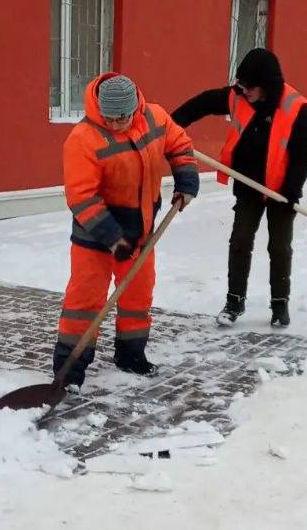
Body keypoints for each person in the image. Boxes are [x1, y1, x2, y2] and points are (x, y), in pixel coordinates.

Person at [54, 73, 199, 387]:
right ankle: (70, 370)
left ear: (136, 108)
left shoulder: (154, 117)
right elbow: (81, 196)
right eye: (110, 118)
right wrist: (112, 237)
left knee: (137, 295)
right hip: (96, 235)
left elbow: (179, 146)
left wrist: (186, 180)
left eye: (122, 117)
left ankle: (131, 355)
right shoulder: (83, 139)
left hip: (142, 229)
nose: (117, 124)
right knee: (85, 301)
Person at [171, 48, 307, 328]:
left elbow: (303, 154)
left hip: (281, 192)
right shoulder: (239, 96)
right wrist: (172, 124)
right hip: (247, 186)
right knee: (240, 241)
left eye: (250, 88)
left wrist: (290, 192)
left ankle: (279, 305)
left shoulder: (295, 107)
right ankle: (234, 301)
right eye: (242, 86)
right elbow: (203, 103)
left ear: (266, 86)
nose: (244, 92)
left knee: (280, 247)